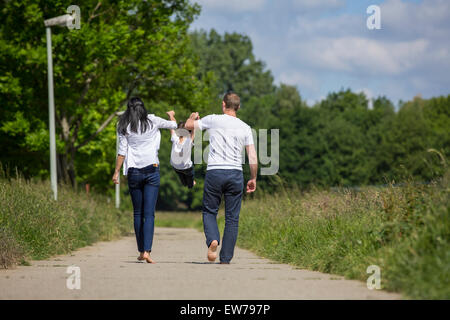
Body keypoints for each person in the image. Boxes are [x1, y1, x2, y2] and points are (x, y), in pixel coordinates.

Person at [185, 92, 258, 264]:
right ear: (238, 107)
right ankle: (225, 258)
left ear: (223, 104)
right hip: (235, 174)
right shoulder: (245, 127)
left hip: (215, 172)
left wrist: (193, 117)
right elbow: (252, 157)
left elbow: (188, 125)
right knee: (232, 218)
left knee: (210, 211)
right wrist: (253, 178)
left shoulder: (213, 119)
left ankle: (213, 240)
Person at [112, 97, 177, 264]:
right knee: (149, 214)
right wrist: (171, 116)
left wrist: (116, 172)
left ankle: (141, 251)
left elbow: (122, 152)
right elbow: (174, 126)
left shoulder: (124, 126)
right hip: (152, 170)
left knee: (138, 213)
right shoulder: (153, 120)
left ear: (129, 109)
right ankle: (147, 251)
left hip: (134, 172)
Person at [167, 111, 196, 189]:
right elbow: (194, 130)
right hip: (186, 168)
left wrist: (171, 115)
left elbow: (172, 125)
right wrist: (194, 120)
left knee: (183, 182)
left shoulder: (175, 138)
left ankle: (185, 181)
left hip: (175, 167)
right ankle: (191, 182)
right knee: (190, 185)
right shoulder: (188, 140)